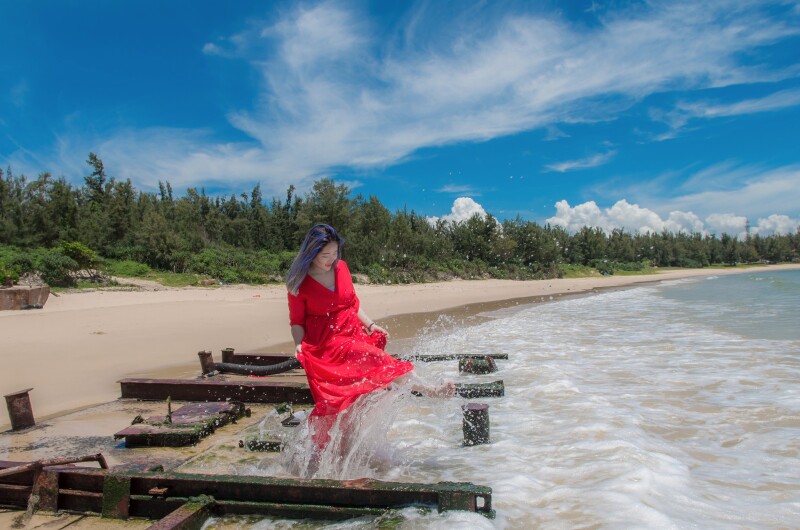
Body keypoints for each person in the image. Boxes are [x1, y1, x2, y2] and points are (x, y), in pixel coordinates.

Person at [287, 224, 453, 449]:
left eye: (335, 253)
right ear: (311, 252)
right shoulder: (298, 283)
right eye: (325, 255)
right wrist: (298, 344)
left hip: (354, 331)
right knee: (381, 361)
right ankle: (431, 391)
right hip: (328, 342)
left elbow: (352, 304)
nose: (331, 259)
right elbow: (297, 321)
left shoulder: (341, 268)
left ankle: (347, 446)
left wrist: (371, 324)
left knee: (359, 395)